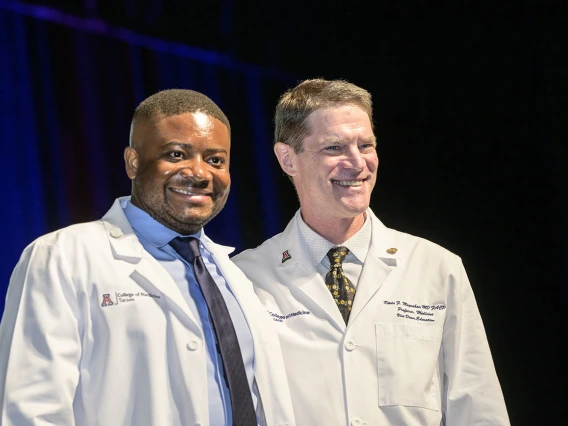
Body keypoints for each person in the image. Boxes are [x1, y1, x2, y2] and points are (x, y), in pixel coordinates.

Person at [0, 89, 295, 426]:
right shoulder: (63, 257)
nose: (199, 173)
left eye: (216, 160)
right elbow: (31, 411)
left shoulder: (234, 276)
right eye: (176, 154)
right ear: (133, 162)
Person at [232, 78, 510, 426]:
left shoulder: (437, 267)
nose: (357, 163)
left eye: (366, 145)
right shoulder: (244, 277)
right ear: (288, 159)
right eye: (334, 148)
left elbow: (478, 407)